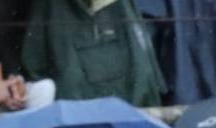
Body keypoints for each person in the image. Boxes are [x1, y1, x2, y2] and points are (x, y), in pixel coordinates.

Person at [23, 0, 166, 106]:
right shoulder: (49, 7)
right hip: (85, 112)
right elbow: (34, 64)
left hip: (89, 114)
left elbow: (144, 70)